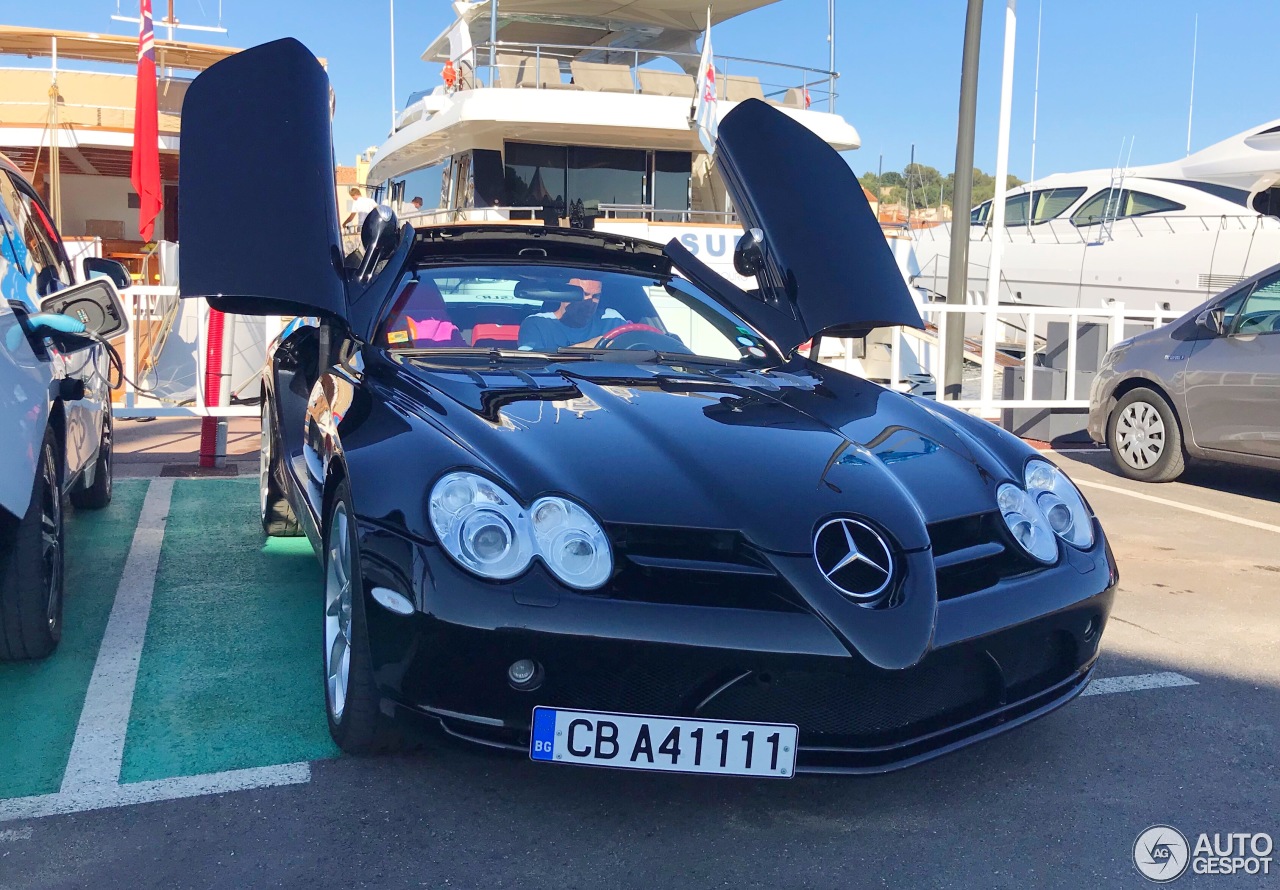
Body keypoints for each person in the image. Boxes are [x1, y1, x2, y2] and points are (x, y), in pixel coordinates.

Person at [517, 277, 628, 352]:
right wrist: (585, 347)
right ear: (563, 294)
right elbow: (530, 365)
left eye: (596, 296)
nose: (589, 303)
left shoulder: (612, 319)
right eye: (582, 295)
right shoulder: (538, 324)